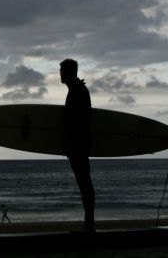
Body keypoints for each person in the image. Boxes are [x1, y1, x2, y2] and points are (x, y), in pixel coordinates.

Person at [60, 58, 95, 232]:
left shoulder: (78, 91)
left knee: (84, 182)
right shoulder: (76, 90)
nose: (60, 74)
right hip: (77, 144)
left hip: (79, 145)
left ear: (67, 72)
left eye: (61, 70)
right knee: (84, 182)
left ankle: (89, 224)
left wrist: (72, 144)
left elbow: (79, 121)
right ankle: (89, 223)